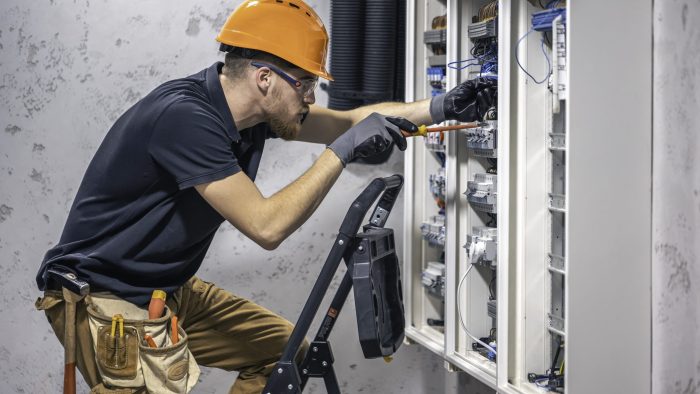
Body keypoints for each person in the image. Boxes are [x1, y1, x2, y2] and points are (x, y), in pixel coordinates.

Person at [34, 1, 496, 393]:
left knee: (281, 352)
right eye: (307, 83)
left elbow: (350, 119)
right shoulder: (184, 118)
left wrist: (441, 107)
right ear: (264, 78)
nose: (311, 97)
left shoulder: (255, 117)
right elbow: (266, 226)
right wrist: (339, 155)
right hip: (101, 298)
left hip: (164, 286)